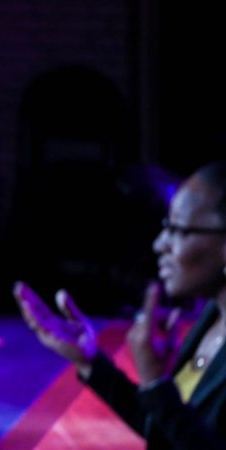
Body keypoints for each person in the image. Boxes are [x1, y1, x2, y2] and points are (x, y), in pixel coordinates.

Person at [13, 160, 226, 449]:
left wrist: (157, 386)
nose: (160, 244)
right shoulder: (213, 316)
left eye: (179, 231)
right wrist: (92, 362)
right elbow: (164, 430)